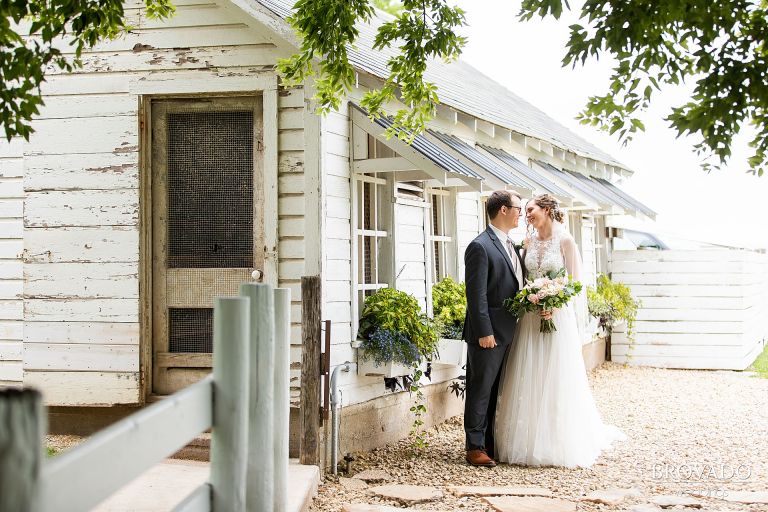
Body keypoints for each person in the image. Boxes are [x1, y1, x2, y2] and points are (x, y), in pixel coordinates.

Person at [494, 194, 625, 468]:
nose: (526, 214)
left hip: (557, 317)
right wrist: (531, 298)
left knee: (556, 375)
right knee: (529, 374)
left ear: (547, 210)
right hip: (530, 318)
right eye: (525, 210)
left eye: (530, 209)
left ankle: (557, 440)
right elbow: (522, 280)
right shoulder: (527, 243)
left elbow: (577, 284)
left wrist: (554, 303)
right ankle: (526, 440)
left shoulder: (566, 241)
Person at [463, 190, 525, 467]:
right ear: (502, 209)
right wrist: (484, 331)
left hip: (510, 331)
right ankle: (474, 447)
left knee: (496, 390)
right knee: (480, 389)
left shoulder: (512, 245)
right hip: (488, 334)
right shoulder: (480, 246)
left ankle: (488, 443)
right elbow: (476, 296)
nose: (520, 214)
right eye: (517, 209)